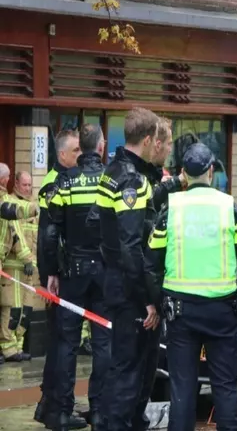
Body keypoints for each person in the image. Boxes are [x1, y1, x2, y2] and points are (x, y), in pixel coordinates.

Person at [145, 143, 237, 431]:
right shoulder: (227, 207)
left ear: (183, 173)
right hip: (223, 312)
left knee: (182, 391)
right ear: (211, 171)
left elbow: (152, 262)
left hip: (181, 315)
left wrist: (158, 304)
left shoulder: (171, 209)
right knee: (225, 387)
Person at [95, 107, 164, 431]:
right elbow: (131, 246)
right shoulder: (131, 180)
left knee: (133, 368)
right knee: (130, 371)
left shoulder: (113, 171)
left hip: (117, 282)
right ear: (148, 139)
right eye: (156, 142)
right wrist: (148, 299)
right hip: (129, 290)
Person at [44, 124, 111, 431]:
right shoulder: (111, 182)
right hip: (105, 275)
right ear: (99, 147)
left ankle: (60, 412)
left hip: (72, 274)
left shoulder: (65, 182)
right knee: (104, 343)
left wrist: (51, 272)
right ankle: (99, 411)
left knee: (66, 343)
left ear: (80, 149)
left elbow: (49, 231)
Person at [34, 130, 83, 429]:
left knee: (60, 344)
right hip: (59, 277)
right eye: (76, 150)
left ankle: (49, 404)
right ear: (62, 154)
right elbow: (46, 237)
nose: (80, 155)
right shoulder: (54, 184)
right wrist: (50, 275)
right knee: (62, 344)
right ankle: (56, 408)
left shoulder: (66, 180)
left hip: (61, 274)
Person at [0, 171, 40, 362]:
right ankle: (8, 348)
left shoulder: (32, 205)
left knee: (26, 311)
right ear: (14, 183)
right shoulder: (11, 205)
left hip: (30, 268)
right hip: (14, 267)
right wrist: (26, 259)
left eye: (30, 185)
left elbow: (38, 238)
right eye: (24, 185)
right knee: (13, 309)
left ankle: (17, 345)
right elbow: (15, 237)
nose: (28, 188)